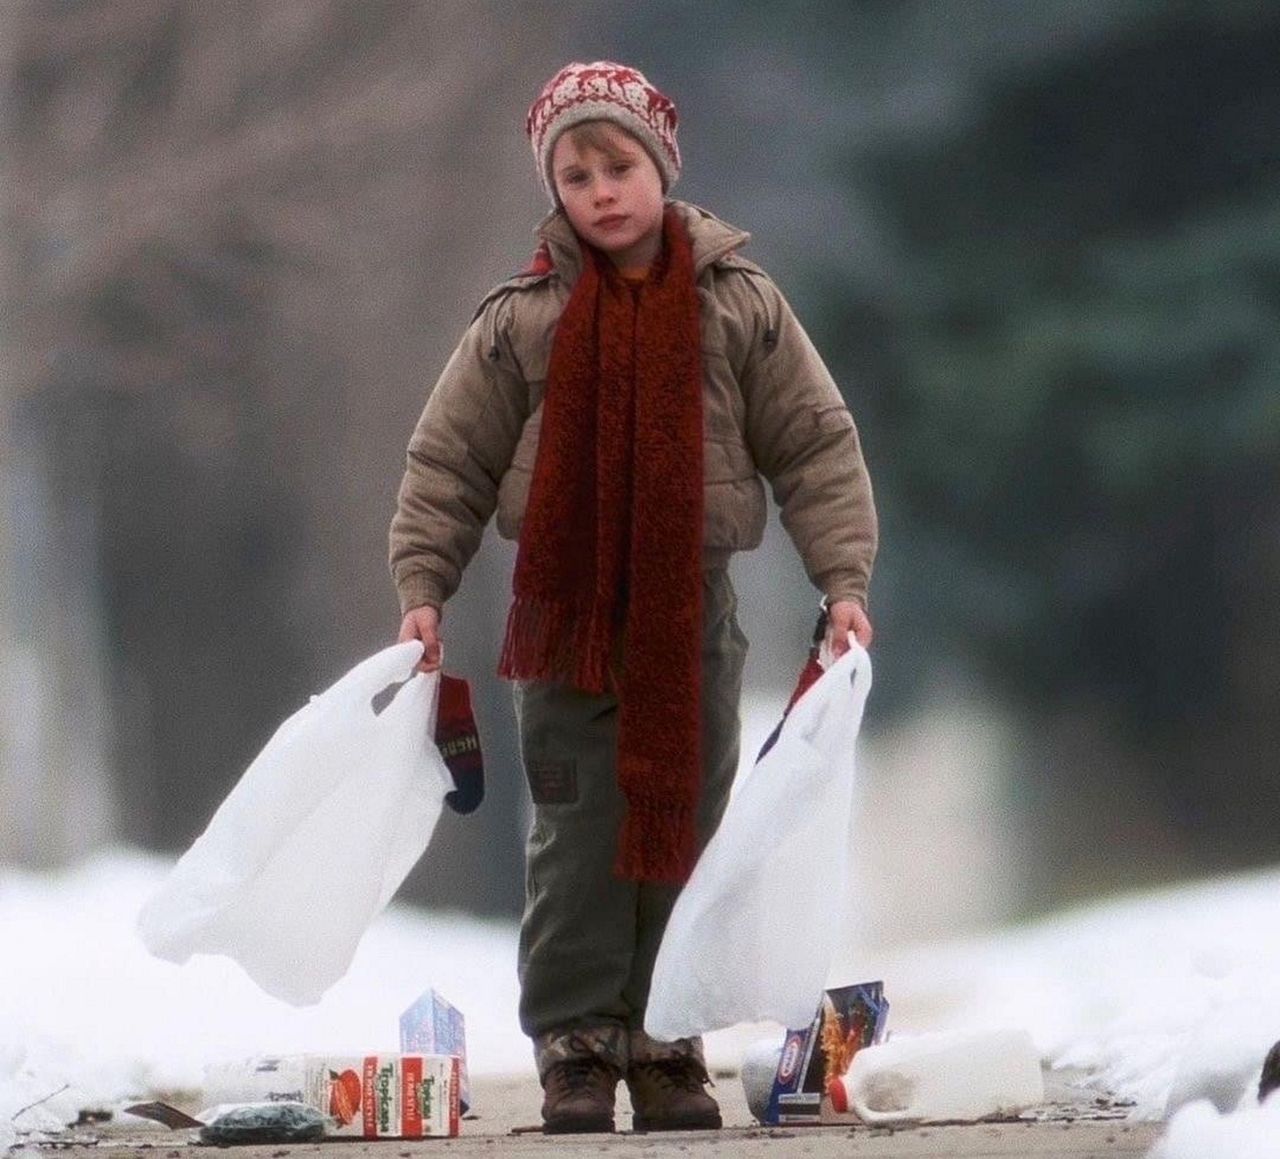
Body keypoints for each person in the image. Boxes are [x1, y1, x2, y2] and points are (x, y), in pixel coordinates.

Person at [389, 60, 877, 1135]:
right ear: (553, 191)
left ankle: (665, 1044)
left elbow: (811, 444)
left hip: (689, 614)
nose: (601, 190)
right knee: (573, 830)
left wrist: (841, 580)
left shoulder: (738, 304)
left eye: (618, 166)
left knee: (684, 825)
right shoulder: (521, 321)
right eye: (575, 175)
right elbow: (447, 463)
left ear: (661, 165)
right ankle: (573, 1045)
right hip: (562, 615)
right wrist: (424, 587)